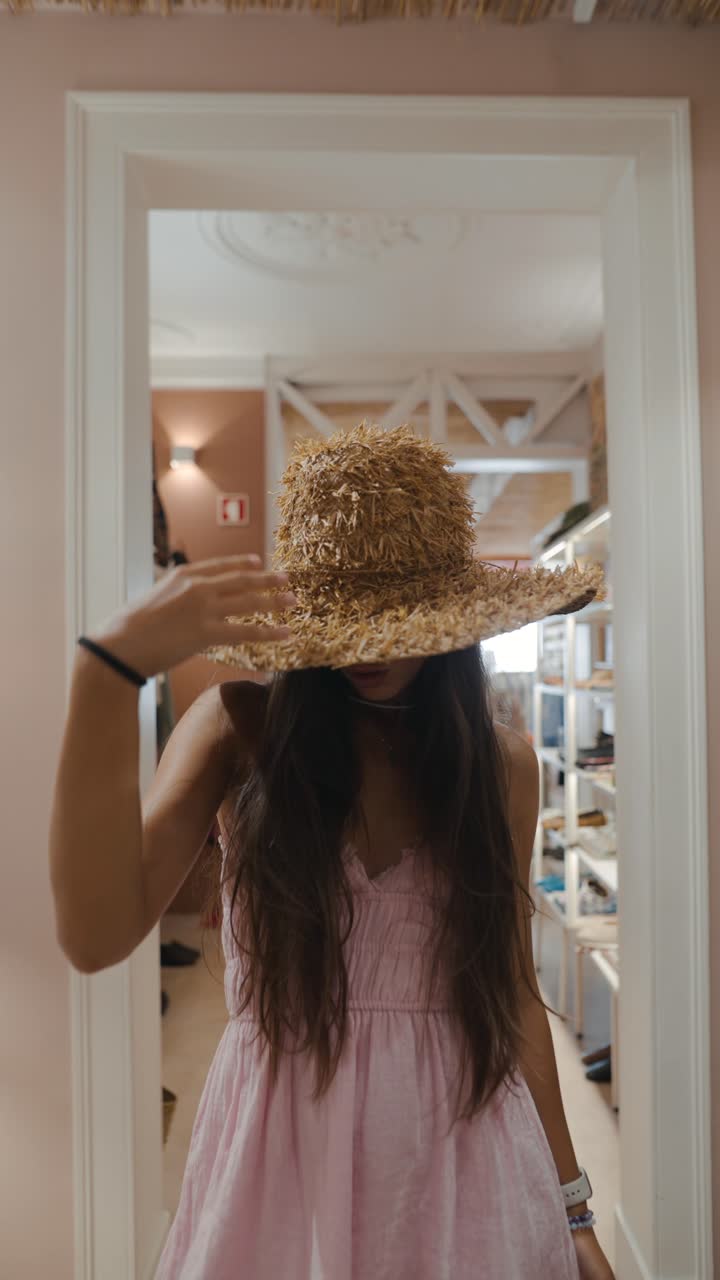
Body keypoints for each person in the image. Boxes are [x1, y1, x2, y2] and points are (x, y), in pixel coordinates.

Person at [50, 425, 612, 1280]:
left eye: (401, 622)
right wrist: (105, 673)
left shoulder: (496, 764)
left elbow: (510, 989)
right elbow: (95, 936)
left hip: (460, 1151)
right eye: (350, 623)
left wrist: (572, 1208)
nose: (374, 650)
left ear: (451, 621)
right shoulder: (240, 731)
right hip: (282, 1150)